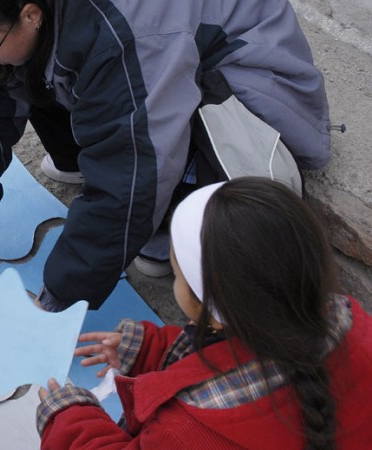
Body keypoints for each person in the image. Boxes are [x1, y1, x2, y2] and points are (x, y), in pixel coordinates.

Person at [0, 0, 331, 311]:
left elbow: (131, 171)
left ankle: (172, 210)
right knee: (12, 63)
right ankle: (96, 170)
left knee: (145, 166)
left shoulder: (124, 33)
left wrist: (59, 296)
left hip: (252, 76)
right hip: (154, 51)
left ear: (30, 15)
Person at [35, 177, 372, 449]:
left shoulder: (184, 431)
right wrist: (150, 349)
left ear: (204, 304)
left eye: (177, 274)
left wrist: (70, 420)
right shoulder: (349, 320)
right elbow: (230, 353)